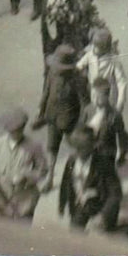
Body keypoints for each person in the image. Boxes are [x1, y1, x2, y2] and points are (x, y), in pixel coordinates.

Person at [32, 45, 88, 192]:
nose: (57, 69)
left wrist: (82, 121)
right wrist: (40, 109)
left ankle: (81, 177)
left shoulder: (78, 79)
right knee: (51, 148)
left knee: (78, 148)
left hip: (71, 120)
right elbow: (46, 92)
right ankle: (50, 177)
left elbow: (85, 102)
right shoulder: (52, 73)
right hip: (52, 117)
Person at [0, 108, 48, 220]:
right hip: (3, 198)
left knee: (21, 233)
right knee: (3, 232)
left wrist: (27, 175)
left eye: (20, 129)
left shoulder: (34, 146)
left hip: (24, 201)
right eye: (13, 131)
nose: (17, 133)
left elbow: (43, 170)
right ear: (7, 129)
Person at [59, 126, 122, 232]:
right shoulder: (71, 161)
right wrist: (62, 205)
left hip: (101, 206)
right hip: (81, 206)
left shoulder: (104, 164)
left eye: (82, 148)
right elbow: (66, 184)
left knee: (103, 239)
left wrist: (103, 215)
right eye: (75, 148)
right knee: (74, 233)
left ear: (92, 147)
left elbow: (115, 193)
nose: (77, 152)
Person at [79, 76, 128, 166]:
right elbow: (80, 129)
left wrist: (121, 153)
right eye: (92, 95)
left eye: (98, 97)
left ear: (107, 97)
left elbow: (121, 135)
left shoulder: (114, 115)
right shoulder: (88, 110)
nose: (94, 99)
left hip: (106, 152)